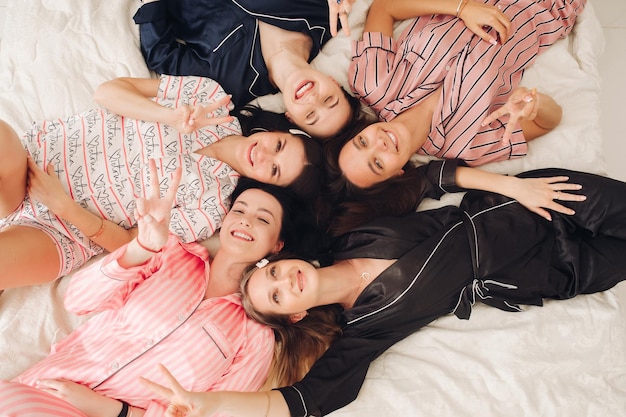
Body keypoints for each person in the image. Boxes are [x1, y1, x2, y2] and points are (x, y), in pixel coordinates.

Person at [142, 167, 626, 417]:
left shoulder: (352, 230)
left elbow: (428, 177)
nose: (283, 283)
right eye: (276, 297)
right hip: (546, 271)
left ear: (291, 260)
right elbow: (300, 403)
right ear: (293, 316)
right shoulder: (363, 330)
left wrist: (511, 185)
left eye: (274, 274)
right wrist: (210, 404)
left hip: (528, 205)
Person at [0, 167, 339, 417]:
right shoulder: (170, 255)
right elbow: (78, 299)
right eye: (239, 210)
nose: (245, 221)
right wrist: (140, 248)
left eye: (262, 219)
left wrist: (110, 410)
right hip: (45, 390)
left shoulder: (256, 338)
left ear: (277, 245)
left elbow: (205, 414)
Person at [0, 75, 322, 288]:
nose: (264, 156)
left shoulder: (214, 209)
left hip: (63, 230)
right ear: (278, 132)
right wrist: (169, 116)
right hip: (38, 160)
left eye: (275, 170)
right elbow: (107, 93)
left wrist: (63, 206)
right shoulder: (210, 96)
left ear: (270, 186)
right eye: (278, 146)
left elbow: (131, 241)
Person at [338, 0, 584, 181]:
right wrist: (534, 104)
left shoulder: (373, 83)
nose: (378, 143)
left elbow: (385, 8)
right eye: (378, 163)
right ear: (396, 175)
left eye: (362, 142)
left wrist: (461, 8)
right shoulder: (468, 145)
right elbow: (548, 123)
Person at [132, 0, 364, 140]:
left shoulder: (229, 85)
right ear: (333, 81)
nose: (313, 100)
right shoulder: (325, 16)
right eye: (329, 100)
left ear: (291, 117)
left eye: (310, 115)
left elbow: (162, 56)